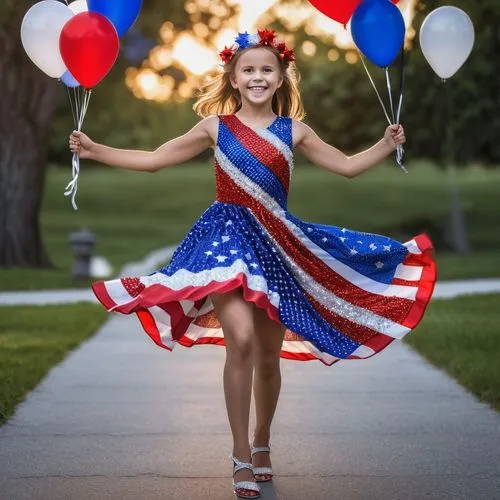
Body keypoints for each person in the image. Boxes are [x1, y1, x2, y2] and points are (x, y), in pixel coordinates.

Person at [69, 29, 436, 499]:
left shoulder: (294, 130)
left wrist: (386, 144)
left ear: (281, 77)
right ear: (234, 78)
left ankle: (262, 441)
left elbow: (345, 165)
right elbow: (157, 159)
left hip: (275, 246)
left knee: (267, 356)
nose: (258, 77)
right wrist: (96, 150)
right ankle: (241, 454)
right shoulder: (214, 127)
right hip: (225, 242)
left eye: (267, 69)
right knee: (238, 340)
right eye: (249, 70)